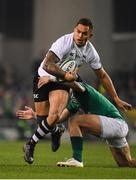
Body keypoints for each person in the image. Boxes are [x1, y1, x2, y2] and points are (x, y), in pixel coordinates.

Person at [24, 17, 132, 164]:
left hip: (62, 82)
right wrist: (35, 114)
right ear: (74, 30)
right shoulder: (64, 42)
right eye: (78, 32)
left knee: (59, 117)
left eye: (84, 33)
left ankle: (31, 144)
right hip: (43, 76)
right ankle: (56, 131)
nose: (80, 36)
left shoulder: (89, 58)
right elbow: (47, 65)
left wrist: (116, 98)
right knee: (45, 121)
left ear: (90, 35)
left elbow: (102, 75)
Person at [16, 80, 136, 168]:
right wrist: (35, 115)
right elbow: (57, 119)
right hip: (113, 129)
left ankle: (77, 159)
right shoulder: (74, 101)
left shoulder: (81, 88)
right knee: (126, 164)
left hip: (116, 123)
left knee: (74, 121)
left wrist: (52, 79)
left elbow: (74, 84)